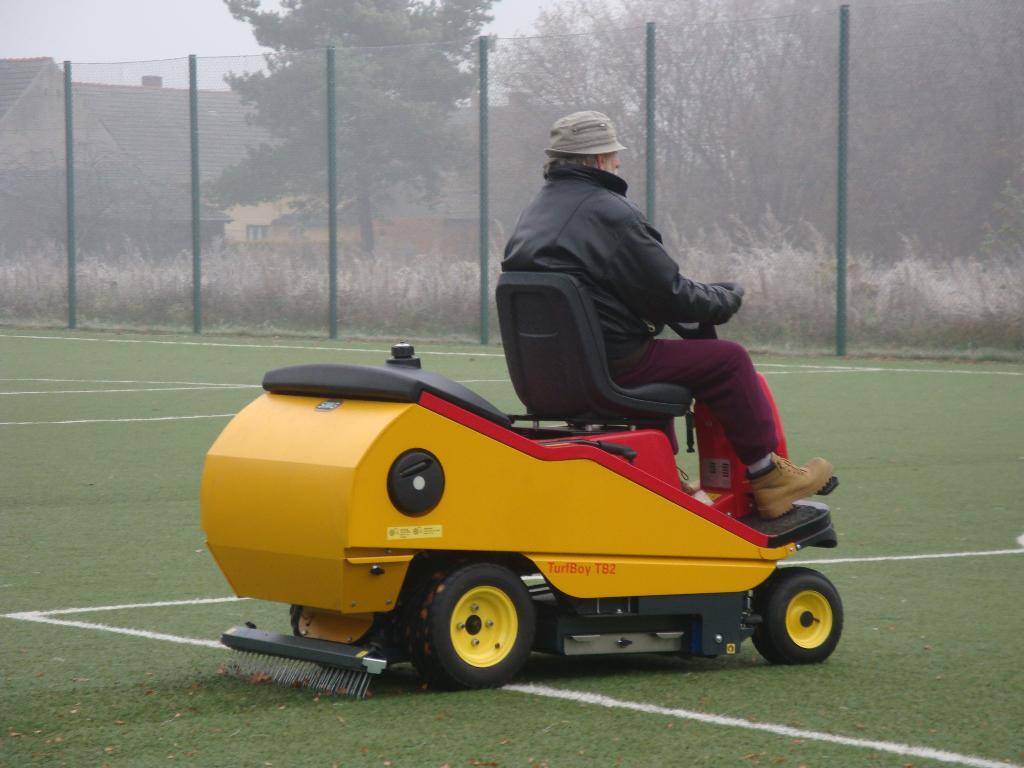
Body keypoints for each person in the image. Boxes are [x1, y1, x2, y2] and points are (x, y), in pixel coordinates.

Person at [502, 110, 835, 520]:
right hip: (611, 367)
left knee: (663, 359)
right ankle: (768, 478)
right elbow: (670, 294)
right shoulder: (608, 213)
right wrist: (723, 298)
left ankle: (667, 480)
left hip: (546, 380)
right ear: (597, 160)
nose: (619, 162)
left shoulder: (533, 215)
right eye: (612, 153)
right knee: (727, 361)